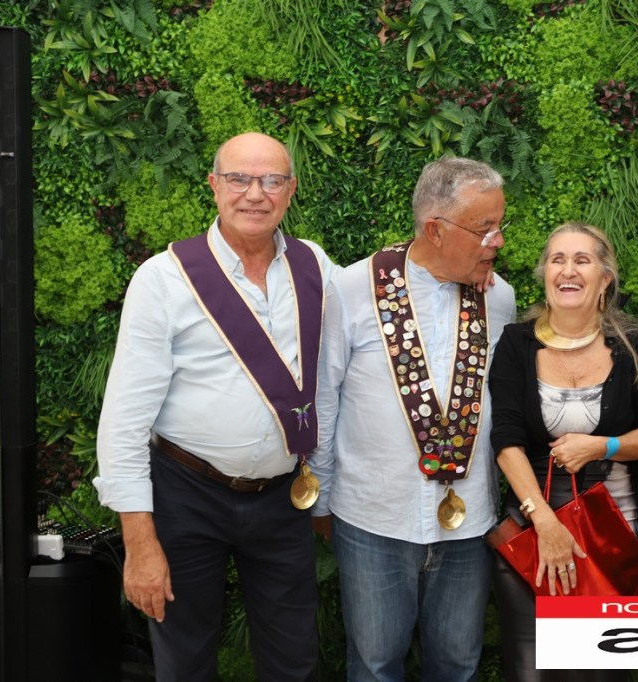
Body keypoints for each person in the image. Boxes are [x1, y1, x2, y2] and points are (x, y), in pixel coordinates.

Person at [95, 132, 339, 681]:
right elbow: (124, 420)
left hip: (282, 499)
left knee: (295, 660)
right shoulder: (164, 278)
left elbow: (377, 301)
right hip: (186, 496)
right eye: (238, 179)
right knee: (184, 662)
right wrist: (140, 541)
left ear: (291, 190)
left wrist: (460, 269)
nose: (255, 194)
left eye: (271, 180)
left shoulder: (316, 266)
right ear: (213, 185)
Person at [309, 156, 516, 681]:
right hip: (373, 517)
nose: (497, 242)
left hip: (468, 520)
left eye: (500, 226)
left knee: (459, 665)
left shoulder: (500, 298)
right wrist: (321, 497)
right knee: (375, 665)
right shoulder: (353, 288)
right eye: (484, 229)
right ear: (435, 230)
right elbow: (325, 398)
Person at [489, 222, 638, 682]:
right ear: (545, 274)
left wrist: (602, 446)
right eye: (558, 260)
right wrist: (546, 523)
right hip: (531, 535)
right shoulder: (515, 343)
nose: (568, 271)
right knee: (531, 672)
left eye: (582, 260)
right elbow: (506, 441)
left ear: (605, 278)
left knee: (600, 674)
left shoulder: (636, 345)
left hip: (613, 536)